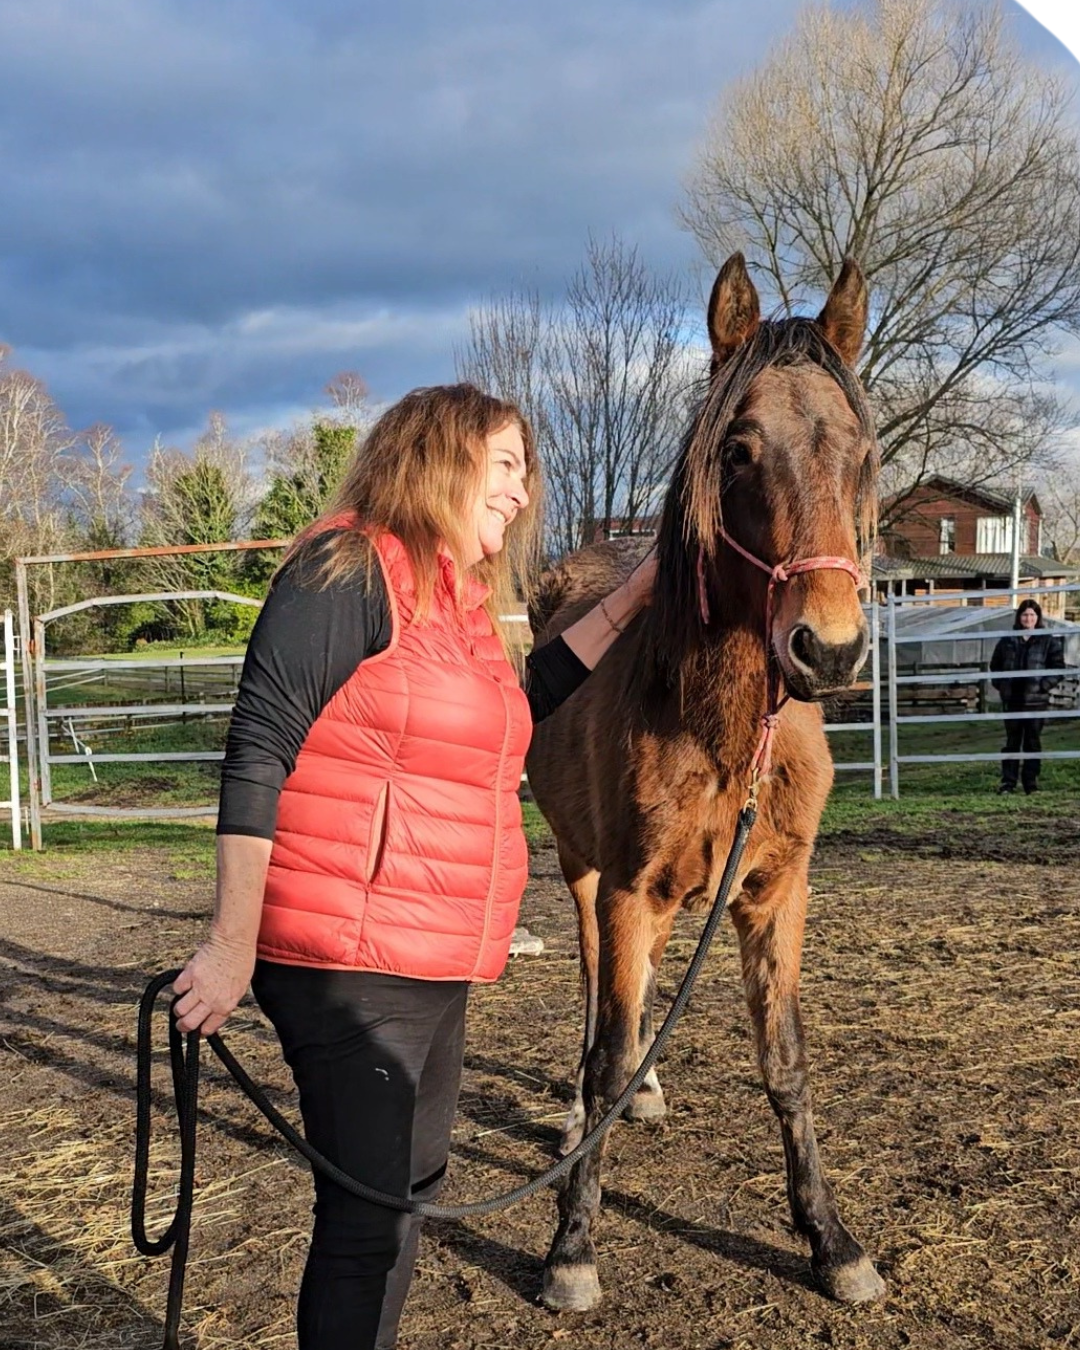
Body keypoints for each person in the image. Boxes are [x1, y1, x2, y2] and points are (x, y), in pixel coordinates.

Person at [171, 383, 655, 1350]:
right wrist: (230, 945)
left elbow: (532, 703)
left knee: (406, 1201)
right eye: (505, 464)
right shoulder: (346, 567)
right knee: (365, 1221)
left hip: (431, 957)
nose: (522, 492)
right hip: (345, 962)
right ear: (437, 453)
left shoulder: (456, 603)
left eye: (527, 472)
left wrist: (644, 590)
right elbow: (258, 744)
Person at [989, 597, 1065, 794]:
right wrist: (1002, 686)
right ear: (1019, 617)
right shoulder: (1007, 641)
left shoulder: (1047, 640)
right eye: (1025, 614)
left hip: (1035, 701)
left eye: (1032, 614)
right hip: (1012, 700)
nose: (1028, 618)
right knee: (1012, 743)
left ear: (1037, 617)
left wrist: (1043, 686)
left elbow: (1058, 667)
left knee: (1032, 742)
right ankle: (1008, 783)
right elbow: (995, 666)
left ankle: (1031, 784)